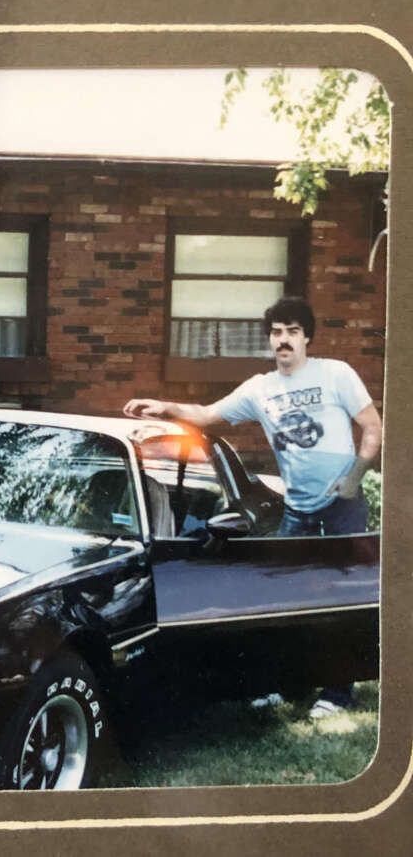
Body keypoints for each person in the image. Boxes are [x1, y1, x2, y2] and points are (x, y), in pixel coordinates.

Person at [123, 296, 382, 717]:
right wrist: (165, 406)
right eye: (277, 332)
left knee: (340, 598)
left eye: (292, 332)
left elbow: (373, 428)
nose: (284, 340)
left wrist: (353, 481)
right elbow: (207, 414)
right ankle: (286, 681)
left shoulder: (336, 374)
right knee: (283, 600)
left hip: (341, 507)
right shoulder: (261, 389)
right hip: (296, 509)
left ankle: (337, 693)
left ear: (307, 337)